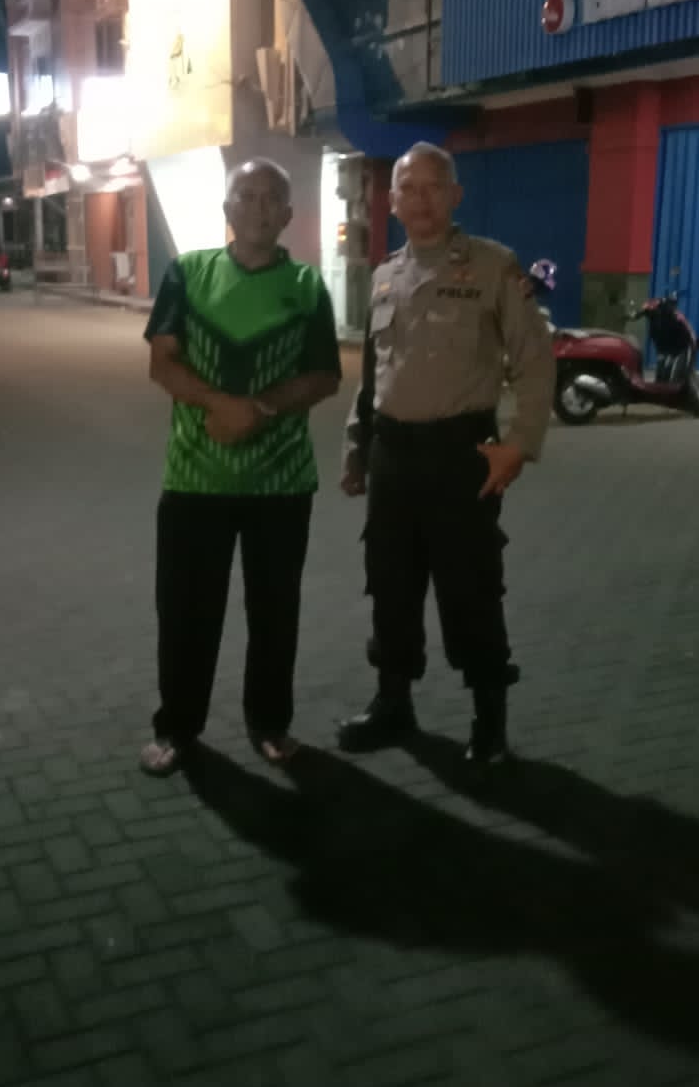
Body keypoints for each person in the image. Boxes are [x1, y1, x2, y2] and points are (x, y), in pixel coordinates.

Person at [338, 142, 555, 765]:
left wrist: (518, 445)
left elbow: (535, 361)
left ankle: (489, 722)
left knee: (471, 588)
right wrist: (357, 445)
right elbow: (374, 376)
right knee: (390, 585)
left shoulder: (493, 267)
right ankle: (393, 703)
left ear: (455, 196)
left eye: (434, 186)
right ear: (392, 201)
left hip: (463, 455)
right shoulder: (386, 276)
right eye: (409, 188)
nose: (421, 199)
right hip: (393, 456)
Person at [141, 158, 341, 775]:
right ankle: (177, 728)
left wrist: (262, 407)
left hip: (280, 483)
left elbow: (324, 375)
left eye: (270, 198)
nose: (257, 207)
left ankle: (270, 724)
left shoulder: (307, 286)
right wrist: (219, 404)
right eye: (245, 196)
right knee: (185, 612)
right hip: (194, 479)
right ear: (227, 209)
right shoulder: (187, 272)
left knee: (275, 613)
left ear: (287, 214)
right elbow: (162, 363)